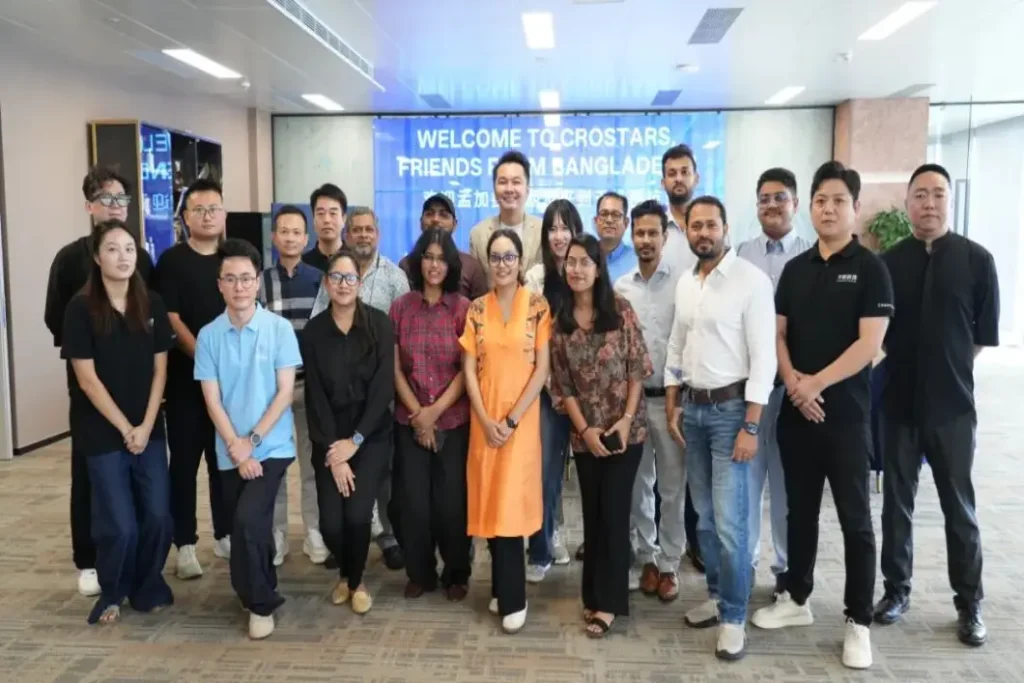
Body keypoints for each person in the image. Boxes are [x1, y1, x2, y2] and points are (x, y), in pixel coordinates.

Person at [751, 161, 893, 671]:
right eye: (820, 200)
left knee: (856, 521)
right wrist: (793, 383)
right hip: (796, 411)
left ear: (854, 207)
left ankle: (858, 622)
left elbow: (870, 344)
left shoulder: (871, 267)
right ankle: (797, 598)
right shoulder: (796, 268)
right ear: (809, 207)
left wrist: (816, 383)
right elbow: (779, 334)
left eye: (837, 200)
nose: (828, 208)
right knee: (799, 512)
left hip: (846, 417)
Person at [874, 163, 998, 646]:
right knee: (896, 506)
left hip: (952, 408)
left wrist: (945, 367)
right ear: (907, 203)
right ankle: (896, 591)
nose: (929, 203)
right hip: (899, 404)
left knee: (959, 508)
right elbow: (879, 334)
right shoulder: (888, 262)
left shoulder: (977, 259)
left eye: (938, 194)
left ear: (950, 201)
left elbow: (981, 338)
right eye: (920, 195)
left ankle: (969, 603)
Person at [665, 196, 777, 660]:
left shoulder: (751, 281)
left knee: (732, 525)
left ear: (726, 229)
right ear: (687, 231)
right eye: (696, 226)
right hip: (693, 411)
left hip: (734, 414)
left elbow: (764, 358)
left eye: (711, 225)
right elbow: (677, 342)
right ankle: (715, 596)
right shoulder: (689, 282)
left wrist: (751, 425)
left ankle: (733, 616)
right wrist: (673, 401)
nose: (704, 233)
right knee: (705, 519)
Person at [45, 166, 155, 598]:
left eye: (122, 200)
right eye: (106, 199)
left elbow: (150, 314)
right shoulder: (71, 258)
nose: (114, 207)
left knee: (137, 468)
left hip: (136, 382)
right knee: (90, 472)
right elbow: (56, 318)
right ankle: (88, 560)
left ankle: (136, 554)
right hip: (90, 383)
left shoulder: (140, 256)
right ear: (89, 206)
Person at [61, 219, 174, 625]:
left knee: (159, 515)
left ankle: (147, 584)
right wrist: (125, 428)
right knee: (120, 523)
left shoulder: (152, 303)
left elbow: (161, 370)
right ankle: (113, 589)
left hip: (148, 428)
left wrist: (144, 426)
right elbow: (86, 380)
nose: (123, 256)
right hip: (102, 432)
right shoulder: (80, 307)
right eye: (113, 248)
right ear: (96, 257)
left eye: (129, 248)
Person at [194, 238, 303, 640]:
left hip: (271, 446)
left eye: (246, 278)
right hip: (229, 447)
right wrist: (236, 447)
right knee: (243, 525)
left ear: (257, 282)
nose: (239, 286)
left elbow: (284, 393)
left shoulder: (277, 330)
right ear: (219, 284)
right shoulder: (209, 335)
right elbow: (212, 399)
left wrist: (252, 442)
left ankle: (260, 602)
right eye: (230, 279)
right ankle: (259, 582)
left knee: (246, 520)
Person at [551, 233, 651, 639]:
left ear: (598, 268)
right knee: (591, 515)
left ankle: (609, 604)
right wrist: (584, 430)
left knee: (614, 513)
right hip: (586, 435)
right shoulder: (559, 320)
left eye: (584, 262)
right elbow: (562, 387)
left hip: (626, 432)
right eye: (570, 261)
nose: (576, 269)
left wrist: (625, 420)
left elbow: (637, 370)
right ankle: (592, 594)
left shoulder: (621, 310)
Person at [459, 229, 550, 634]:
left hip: (521, 423)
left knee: (512, 505)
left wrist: (511, 420)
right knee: (491, 500)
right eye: (494, 257)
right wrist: (485, 417)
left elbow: (542, 369)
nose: (501, 264)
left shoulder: (538, 307)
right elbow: (468, 369)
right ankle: (500, 586)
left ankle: (514, 596)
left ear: (520, 260)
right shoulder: (476, 309)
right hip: (485, 423)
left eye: (508, 256)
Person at [310, 207, 409, 570]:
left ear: (378, 233)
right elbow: (316, 380)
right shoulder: (320, 325)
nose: (364, 235)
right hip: (333, 420)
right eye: (357, 230)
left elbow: (393, 363)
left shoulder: (395, 281)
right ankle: (348, 555)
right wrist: (336, 448)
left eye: (370, 229)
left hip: (374, 412)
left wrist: (357, 439)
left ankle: (386, 538)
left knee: (380, 486)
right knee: (335, 518)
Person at [301, 248, 395, 616]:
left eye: (350, 278)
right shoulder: (313, 332)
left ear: (360, 282)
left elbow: (382, 390)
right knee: (330, 525)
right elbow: (316, 398)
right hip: (328, 440)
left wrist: (354, 442)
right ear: (326, 283)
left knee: (357, 516)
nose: (343, 284)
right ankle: (347, 573)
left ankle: (354, 582)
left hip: (369, 437)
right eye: (336, 277)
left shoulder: (379, 324)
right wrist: (334, 452)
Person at [735, 168, 812, 597]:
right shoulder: (742, 253)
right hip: (749, 391)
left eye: (780, 198)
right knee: (746, 483)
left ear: (795, 204)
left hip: (791, 391)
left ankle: (784, 570)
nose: (771, 206)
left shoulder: (810, 254)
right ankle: (744, 566)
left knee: (785, 486)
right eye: (763, 198)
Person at [156, 178, 232, 579]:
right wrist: (206, 359)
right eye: (199, 209)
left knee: (224, 463)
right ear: (185, 218)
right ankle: (184, 544)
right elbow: (170, 318)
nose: (207, 216)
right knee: (184, 466)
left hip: (231, 386)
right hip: (187, 384)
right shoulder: (171, 261)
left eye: (214, 208)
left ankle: (225, 534)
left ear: (223, 214)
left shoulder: (235, 257)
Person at [392, 229, 473, 601]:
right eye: (428, 256)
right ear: (418, 261)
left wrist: (435, 413)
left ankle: (457, 572)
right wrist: (418, 414)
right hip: (408, 421)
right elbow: (394, 368)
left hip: (453, 421)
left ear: (451, 263)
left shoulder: (463, 308)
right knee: (413, 504)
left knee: (451, 504)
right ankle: (420, 573)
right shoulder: (402, 307)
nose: (434, 264)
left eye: (441, 258)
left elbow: (467, 370)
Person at [614, 200, 686, 601]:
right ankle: (647, 557)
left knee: (673, 487)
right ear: (631, 234)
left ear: (665, 236)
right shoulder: (621, 288)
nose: (645, 240)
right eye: (638, 233)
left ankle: (671, 564)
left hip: (673, 402)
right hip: (635, 403)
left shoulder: (684, 282)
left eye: (652, 233)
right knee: (639, 485)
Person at [259, 204, 328, 565]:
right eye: (282, 231)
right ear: (274, 237)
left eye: (296, 232)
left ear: (307, 238)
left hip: (308, 386)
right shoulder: (260, 281)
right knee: (275, 463)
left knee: (311, 461)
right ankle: (278, 532)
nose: (289, 237)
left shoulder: (319, 279)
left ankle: (313, 530)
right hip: (271, 391)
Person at [522, 199, 582, 582]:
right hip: (548, 392)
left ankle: (596, 547)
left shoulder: (587, 269)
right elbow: (530, 341)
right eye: (552, 229)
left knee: (592, 475)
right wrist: (550, 385)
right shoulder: (535, 278)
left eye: (565, 228)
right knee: (545, 473)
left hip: (589, 394)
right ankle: (540, 547)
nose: (559, 236)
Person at [468, 150, 544, 278]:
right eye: (503, 182)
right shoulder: (478, 234)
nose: (509, 189)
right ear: (494, 189)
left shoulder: (543, 231)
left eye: (516, 182)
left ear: (527, 189)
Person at [399, 193, 488, 299]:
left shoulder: (471, 267)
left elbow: (481, 310)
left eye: (443, 215)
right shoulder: (406, 265)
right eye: (429, 214)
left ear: (454, 225)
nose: (435, 219)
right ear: (421, 222)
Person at [594, 191, 637, 283]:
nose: (609, 220)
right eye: (604, 214)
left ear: (626, 223)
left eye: (616, 215)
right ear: (596, 221)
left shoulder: (637, 261)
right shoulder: (585, 256)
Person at [302, 184, 347, 272]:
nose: (326, 220)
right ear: (313, 219)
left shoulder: (356, 262)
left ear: (344, 219)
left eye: (333, 213)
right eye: (321, 213)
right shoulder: (302, 264)